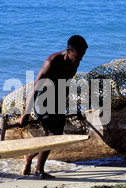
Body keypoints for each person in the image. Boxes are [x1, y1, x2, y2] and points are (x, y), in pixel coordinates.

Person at [18, 35, 88, 179]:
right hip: (43, 99)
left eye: (83, 56)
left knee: (57, 134)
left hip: (58, 99)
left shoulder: (75, 62)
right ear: (69, 51)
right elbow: (35, 87)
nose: (80, 59)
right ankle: (39, 171)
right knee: (50, 133)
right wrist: (26, 113)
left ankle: (30, 156)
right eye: (78, 56)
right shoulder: (52, 62)